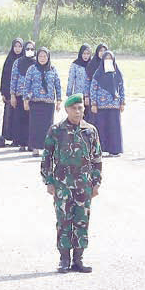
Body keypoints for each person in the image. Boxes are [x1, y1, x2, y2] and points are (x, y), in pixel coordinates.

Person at [41, 93, 101, 274]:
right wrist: (48, 180)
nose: (77, 111)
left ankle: (79, 259)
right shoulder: (56, 130)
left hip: (84, 184)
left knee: (82, 220)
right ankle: (64, 259)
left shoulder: (90, 130)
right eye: (74, 108)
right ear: (67, 110)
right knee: (64, 220)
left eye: (80, 108)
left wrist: (96, 183)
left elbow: (97, 158)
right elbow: (47, 157)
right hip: (62, 185)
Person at [24, 47, 63, 157]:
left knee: (48, 126)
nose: (42, 58)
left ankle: (47, 148)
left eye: (44, 56)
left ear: (48, 57)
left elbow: (57, 85)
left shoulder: (52, 69)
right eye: (40, 56)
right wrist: (26, 100)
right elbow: (27, 85)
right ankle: (35, 148)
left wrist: (59, 100)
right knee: (35, 126)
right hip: (35, 102)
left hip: (49, 103)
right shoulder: (32, 69)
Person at [90, 51, 125, 157]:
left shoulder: (117, 73)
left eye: (110, 59)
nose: (108, 61)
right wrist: (94, 103)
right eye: (106, 59)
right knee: (101, 127)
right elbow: (93, 88)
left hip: (114, 105)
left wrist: (122, 102)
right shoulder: (98, 73)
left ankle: (114, 150)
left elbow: (121, 88)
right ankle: (100, 149)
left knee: (114, 127)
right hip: (101, 106)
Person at [9, 41, 37, 151]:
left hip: (34, 96)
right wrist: (12, 95)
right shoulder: (18, 62)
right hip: (20, 94)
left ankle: (32, 143)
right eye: (27, 49)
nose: (29, 51)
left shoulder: (37, 62)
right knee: (21, 119)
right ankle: (22, 143)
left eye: (32, 49)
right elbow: (13, 79)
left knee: (33, 120)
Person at [0, 38, 25, 146]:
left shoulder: (25, 60)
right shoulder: (9, 60)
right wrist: (4, 93)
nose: (18, 49)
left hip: (21, 94)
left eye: (20, 46)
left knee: (19, 117)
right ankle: (10, 137)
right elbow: (4, 77)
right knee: (10, 116)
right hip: (9, 93)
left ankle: (19, 139)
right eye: (16, 46)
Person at [84, 43, 109, 122]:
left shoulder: (110, 65)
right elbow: (87, 82)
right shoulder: (91, 65)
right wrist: (86, 96)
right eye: (100, 51)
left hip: (106, 99)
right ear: (97, 52)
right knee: (94, 119)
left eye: (104, 51)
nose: (102, 53)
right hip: (94, 97)